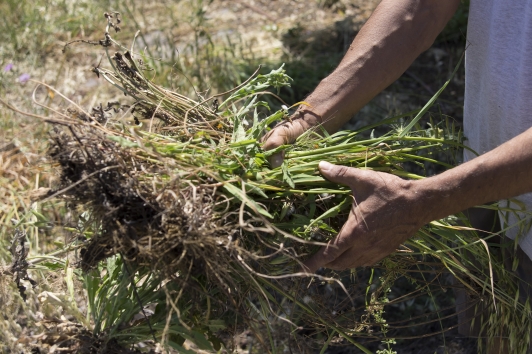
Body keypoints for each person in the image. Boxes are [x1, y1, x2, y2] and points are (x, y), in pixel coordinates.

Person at [263, 0, 532, 352]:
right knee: (494, 335)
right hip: (485, 182)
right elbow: (424, 7)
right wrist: (308, 119)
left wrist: (423, 201)